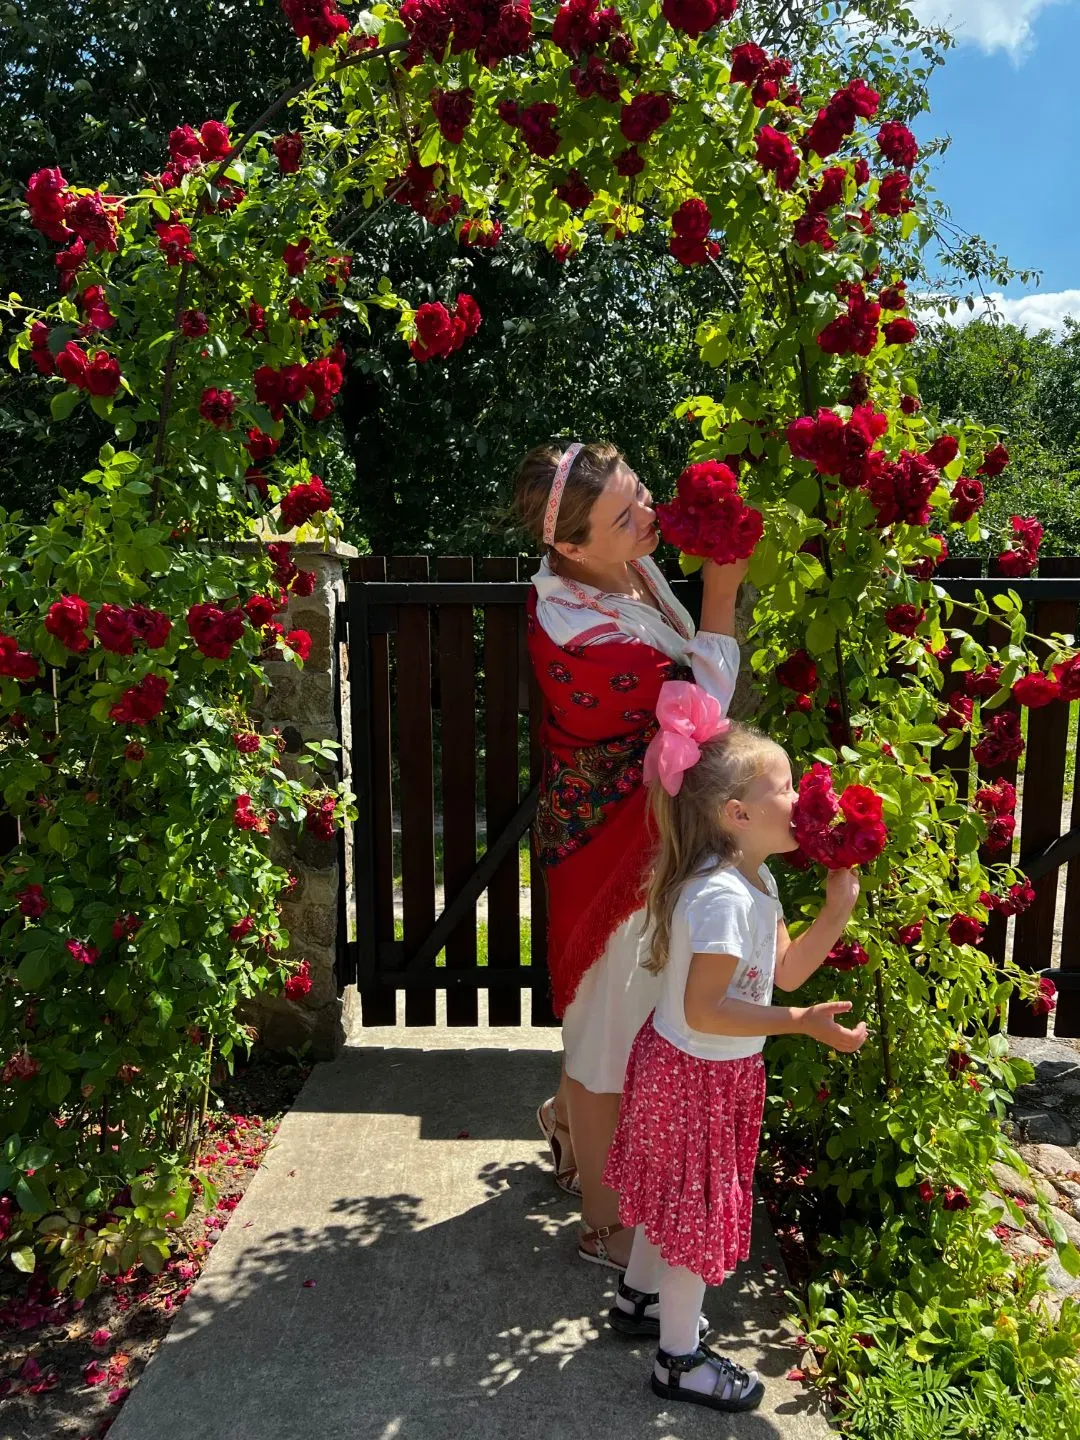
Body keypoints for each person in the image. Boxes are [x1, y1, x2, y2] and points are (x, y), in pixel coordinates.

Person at [602, 681, 867, 1412]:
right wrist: (799, 1023)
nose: (800, 797)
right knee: (693, 1217)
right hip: (694, 1074)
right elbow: (707, 1009)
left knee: (673, 1198)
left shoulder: (758, 877)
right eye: (783, 787)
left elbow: (785, 972)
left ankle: (640, 1300)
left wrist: (835, 912)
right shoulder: (720, 896)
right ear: (738, 815)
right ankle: (677, 1361)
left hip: (702, 1070)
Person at [516, 440, 748, 1268]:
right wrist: (721, 592)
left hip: (641, 828)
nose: (648, 515)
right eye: (625, 515)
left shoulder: (626, 568)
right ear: (570, 546)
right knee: (608, 1036)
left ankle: (564, 1125)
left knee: (612, 1013)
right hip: (607, 847)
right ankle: (603, 1228)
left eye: (641, 493)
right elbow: (696, 712)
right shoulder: (573, 628)